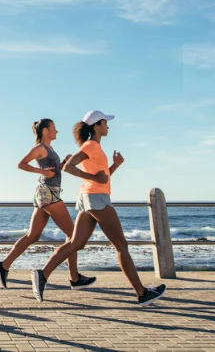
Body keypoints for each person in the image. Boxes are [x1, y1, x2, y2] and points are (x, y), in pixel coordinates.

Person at [31, 110, 167, 307]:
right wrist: (94, 178)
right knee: (121, 246)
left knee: (75, 243)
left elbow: (101, 177)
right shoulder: (91, 146)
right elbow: (68, 167)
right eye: (104, 122)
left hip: (89, 197)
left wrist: (114, 166)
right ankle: (142, 293)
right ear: (96, 126)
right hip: (97, 198)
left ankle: (42, 274)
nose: (108, 126)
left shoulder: (94, 148)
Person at [0, 119, 96, 291]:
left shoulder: (49, 149)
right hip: (48, 194)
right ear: (46, 131)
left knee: (32, 236)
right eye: (54, 128)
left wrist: (63, 163)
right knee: (73, 235)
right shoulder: (40, 148)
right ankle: (75, 278)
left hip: (48, 193)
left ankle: (4, 265)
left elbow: (53, 172)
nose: (57, 131)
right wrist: (41, 172)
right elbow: (21, 164)